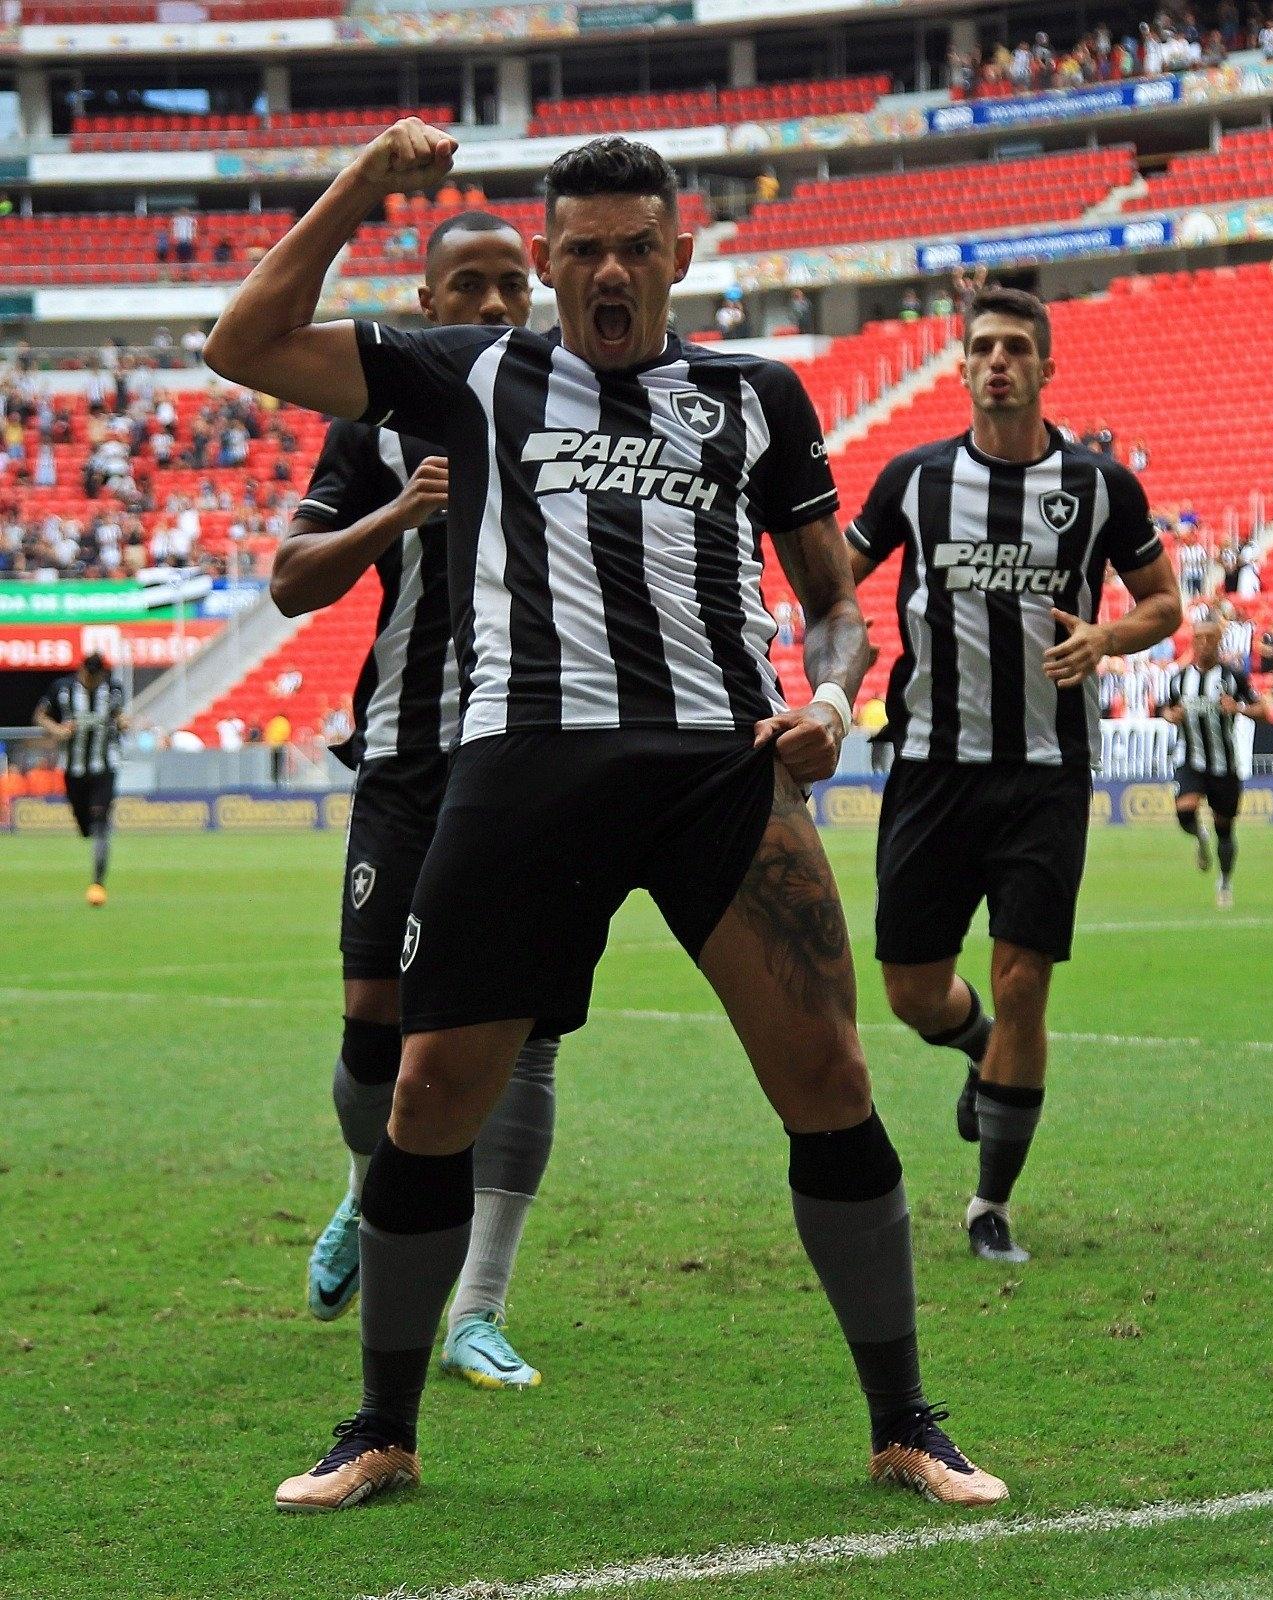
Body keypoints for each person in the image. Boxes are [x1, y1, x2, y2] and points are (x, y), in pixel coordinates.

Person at [205, 121, 1007, 1514]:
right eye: (579, 252)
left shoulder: (756, 395)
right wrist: (362, 189)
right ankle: (381, 1430)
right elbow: (245, 341)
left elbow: (831, 607)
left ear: (680, 253)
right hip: (520, 768)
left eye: (637, 247)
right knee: (426, 1095)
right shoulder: (471, 370)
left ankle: (902, 1423)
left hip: (715, 770)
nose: (609, 274)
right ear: (544, 263)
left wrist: (827, 700)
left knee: (826, 1084)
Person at [272, 211, 555, 1390]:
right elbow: (291, 581)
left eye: (511, 286)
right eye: (469, 287)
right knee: (370, 1036)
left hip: (537, 760)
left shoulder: (577, 413)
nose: (493, 306)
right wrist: (397, 514)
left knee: (525, 1040)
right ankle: (367, 1185)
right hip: (404, 753)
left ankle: (477, 1307)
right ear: (426, 304)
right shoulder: (372, 430)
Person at [845, 286, 1181, 1266]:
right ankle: (976, 1047)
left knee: (1025, 976)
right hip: (929, 768)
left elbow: (1161, 601)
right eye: (981, 346)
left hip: (1046, 773)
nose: (997, 361)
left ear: (1045, 368)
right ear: (960, 365)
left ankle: (989, 1204)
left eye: (1014, 348)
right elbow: (833, 580)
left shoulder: (1100, 485)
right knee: (911, 989)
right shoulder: (911, 480)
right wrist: (834, 663)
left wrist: (1108, 636)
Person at [1162, 616, 1269, 909]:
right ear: (1193, 641)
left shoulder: (1233, 677)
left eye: (1211, 638)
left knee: (1225, 827)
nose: (1205, 643)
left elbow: (1263, 709)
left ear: (1219, 642)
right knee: (1184, 812)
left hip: (1224, 763)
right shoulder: (1179, 678)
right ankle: (1200, 834)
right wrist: (1170, 716)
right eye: (1199, 638)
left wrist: (1239, 708)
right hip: (1190, 758)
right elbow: (1166, 708)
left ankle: (1224, 880)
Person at [33, 651, 128, 905]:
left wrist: (122, 722)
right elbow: (40, 715)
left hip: (103, 768)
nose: (96, 681)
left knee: (100, 825)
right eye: (92, 676)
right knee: (84, 827)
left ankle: (98, 882)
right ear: (83, 671)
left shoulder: (112, 689)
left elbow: (118, 714)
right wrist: (58, 730)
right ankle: (92, 826)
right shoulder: (61, 689)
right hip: (73, 770)